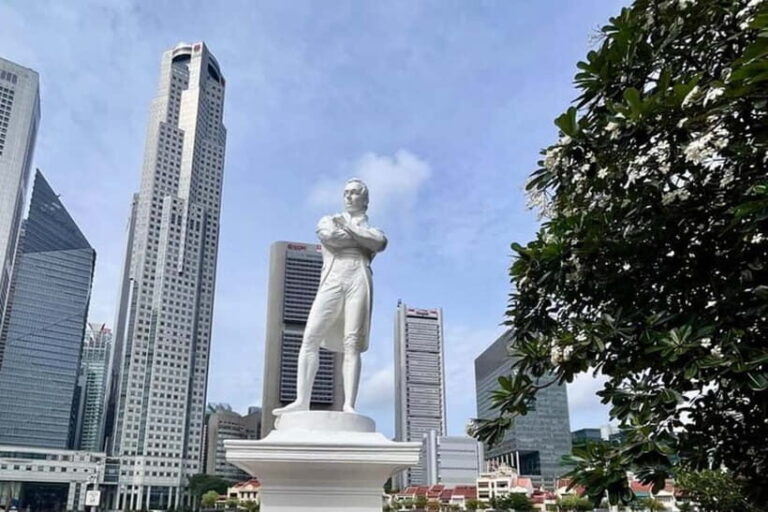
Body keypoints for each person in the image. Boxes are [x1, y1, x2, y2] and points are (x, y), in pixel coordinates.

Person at [273, 178, 387, 415]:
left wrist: (350, 230)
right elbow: (330, 237)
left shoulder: (373, 230)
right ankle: (302, 400)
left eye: (354, 193)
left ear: (365, 200)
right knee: (310, 337)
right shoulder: (328, 220)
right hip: (333, 278)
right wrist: (361, 239)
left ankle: (349, 404)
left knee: (352, 343)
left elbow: (379, 242)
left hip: (359, 277)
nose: (348, 197)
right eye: (346, 192)